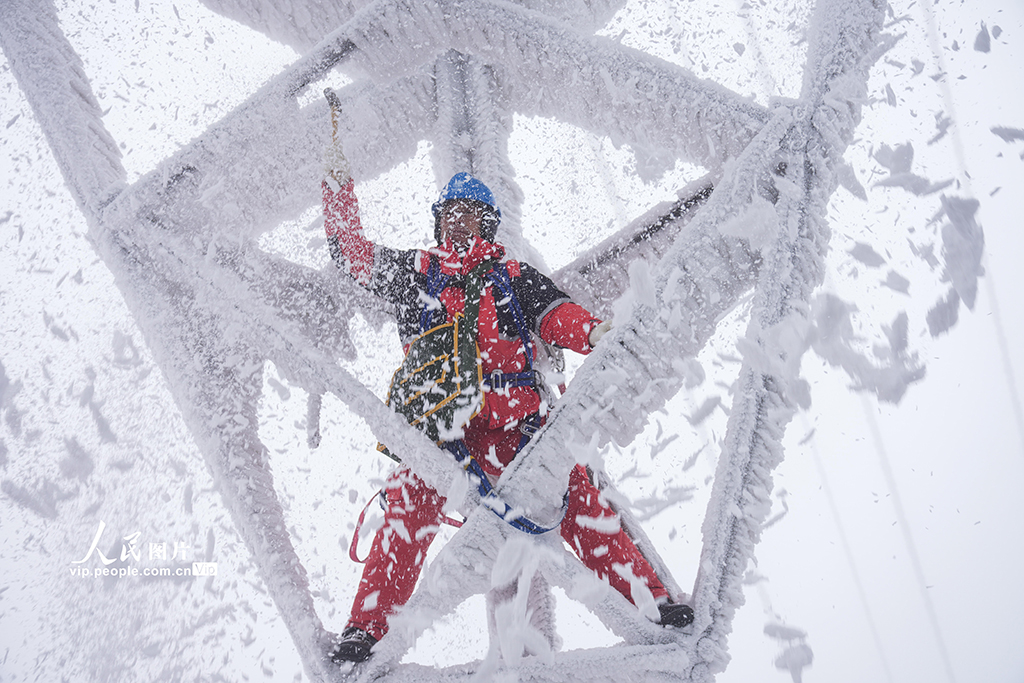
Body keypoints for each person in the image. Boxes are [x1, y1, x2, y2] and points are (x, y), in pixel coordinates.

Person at [322, 147, 693, 664]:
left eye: (469, 214)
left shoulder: (511, 276)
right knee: (407, 505)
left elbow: (554, 314)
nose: (459, 224)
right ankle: (366, 632)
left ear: (489, 223)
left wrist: (594, 332)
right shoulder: (416, 273)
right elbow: (351, 254)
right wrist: (338, 189)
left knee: (578, 499)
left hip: (515, 431)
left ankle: (653, 604)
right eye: (450, 215)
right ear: (438, 223)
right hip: (445, 437)